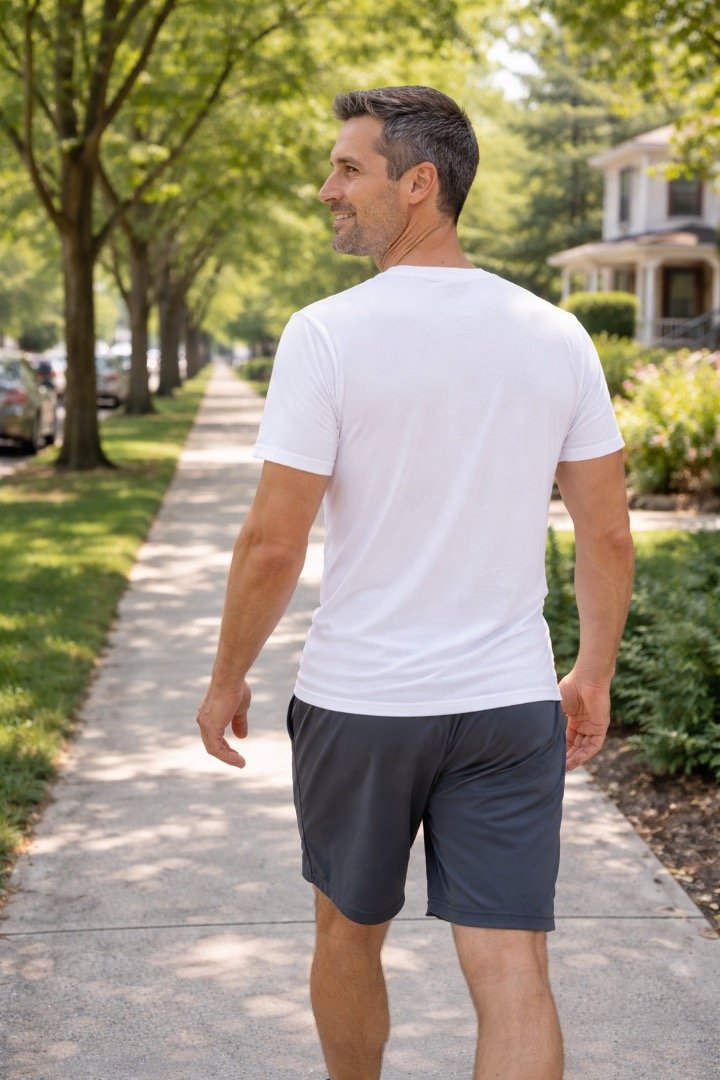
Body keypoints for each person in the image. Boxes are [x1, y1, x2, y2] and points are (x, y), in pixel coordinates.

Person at [197, 85, 634, 1080]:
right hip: (506, 705)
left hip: (364, 704)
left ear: (421, 183)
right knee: (514, 969)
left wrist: (226, 677)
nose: (327, 190)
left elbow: (272, 544)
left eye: (349, 169)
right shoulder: (556, 336)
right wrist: (592, 674)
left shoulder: (327, 335)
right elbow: (606, 536)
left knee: (349, 935)